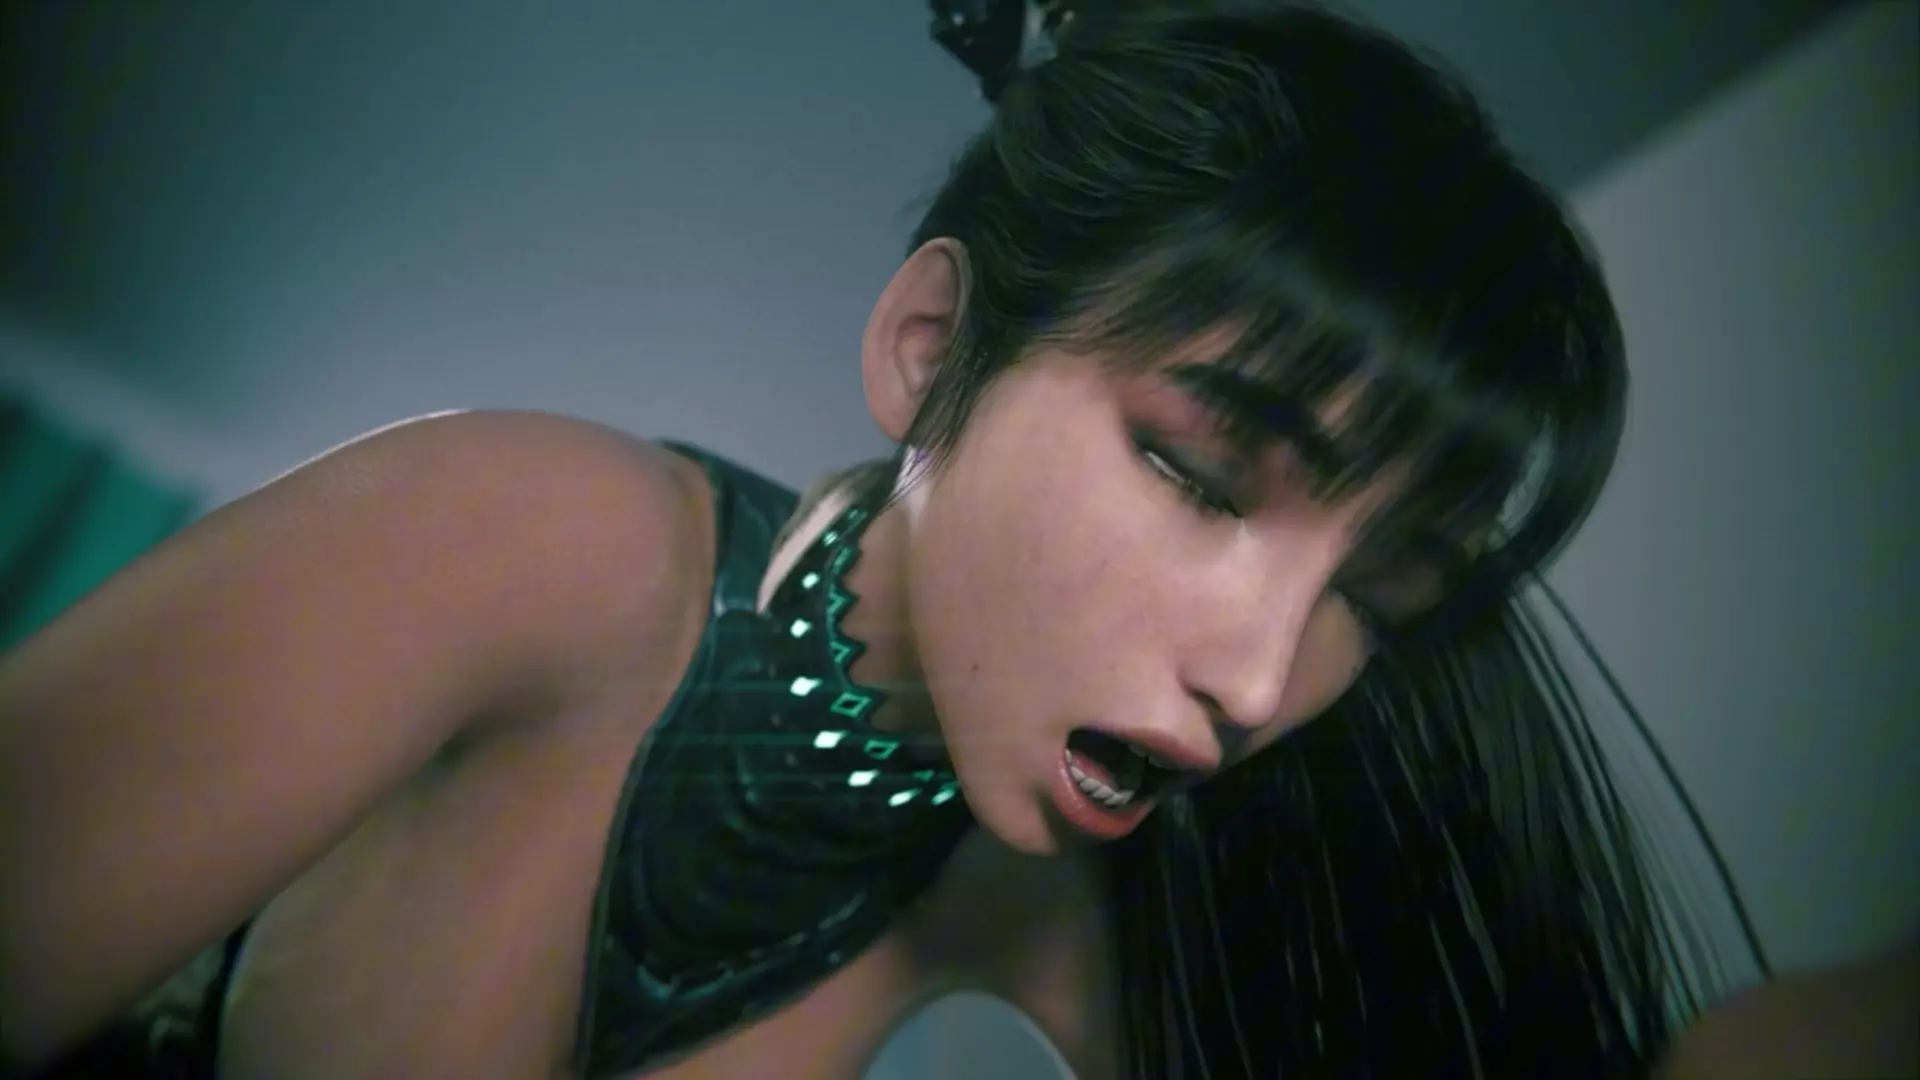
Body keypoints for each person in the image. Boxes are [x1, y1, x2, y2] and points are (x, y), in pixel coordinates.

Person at [8, 3, 1901, 1078]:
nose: (1259, 680)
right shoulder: (533, 541)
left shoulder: (1094, 948)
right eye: (1200, 473)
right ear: (932, 349)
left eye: (1376, 603)